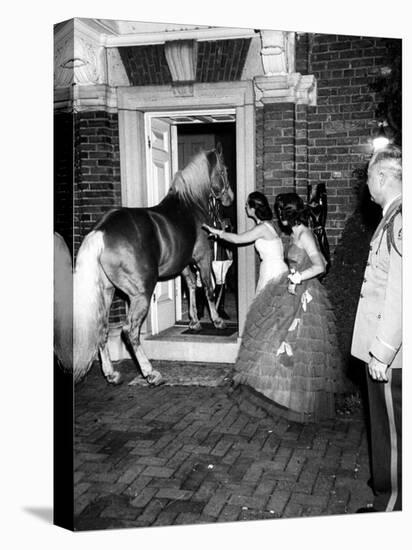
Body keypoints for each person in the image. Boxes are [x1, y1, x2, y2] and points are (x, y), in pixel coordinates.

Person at [223, 192, 346, 423]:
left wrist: (299, 277)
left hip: (305, 296)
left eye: (282, 212)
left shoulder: (305, 234)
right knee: (276, 340)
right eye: (279, 212)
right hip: (290, 290)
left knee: (297, 348)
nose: (279, 216)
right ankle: (278, 395)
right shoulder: (295, 232)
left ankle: (298, 404)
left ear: (290, 212)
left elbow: (321, 265)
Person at [351, 145, 402, 513]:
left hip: (392, 356)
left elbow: (401, 291)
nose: (366, 184)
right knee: (385, 431)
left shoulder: (400, 219)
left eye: (369, 176)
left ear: (382, 177)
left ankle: (393, 509)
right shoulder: (392, 217)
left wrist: (382, 350)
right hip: (387, 352)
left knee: (394, 436)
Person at [203, 191, 287, 295]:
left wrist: (217, 232)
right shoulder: (268, 224)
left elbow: (237, 239)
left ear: (253, 209)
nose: (245, 207)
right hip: (274, 268)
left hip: (272, 271)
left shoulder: (262, 228)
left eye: (247, 204)